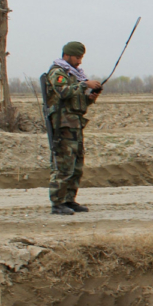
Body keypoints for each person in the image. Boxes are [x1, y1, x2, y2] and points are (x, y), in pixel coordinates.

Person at [43, 41, 102, 215]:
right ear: (67, 55)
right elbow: (63, 92)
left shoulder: (75, 75)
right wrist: (85, 85)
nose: (79, 61)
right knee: (64, 165)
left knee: (76, 166)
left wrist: (91, 97)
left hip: (75, 125)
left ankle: (69, 200)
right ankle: (58, 202)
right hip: (63, 126)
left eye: (81, 57)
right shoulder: (57, 72)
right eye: (77, 57)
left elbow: (77, 102)